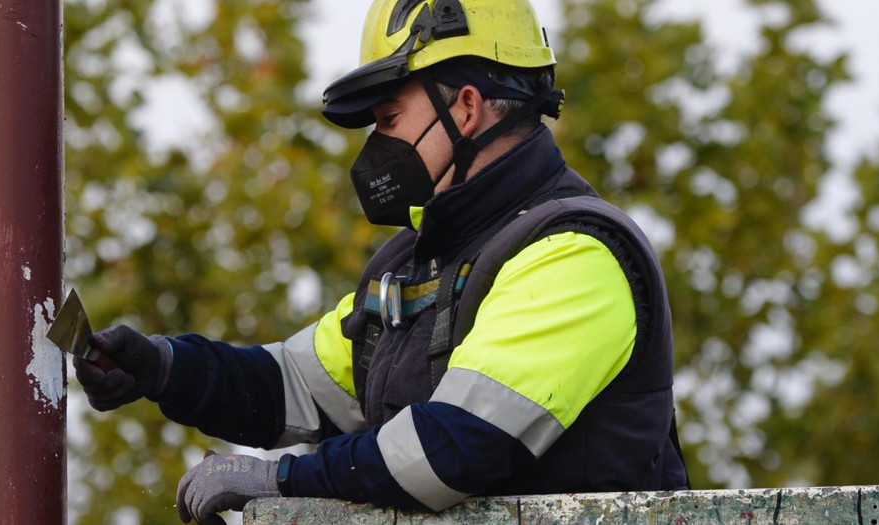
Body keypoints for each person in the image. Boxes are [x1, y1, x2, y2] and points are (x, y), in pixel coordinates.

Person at [75, 0, 689, 523]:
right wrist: (163, 367)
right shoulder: (417, 264)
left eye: (389, 119)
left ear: (468, 108)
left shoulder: (575, 253)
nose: (377, 146)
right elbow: (292, 386)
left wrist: (284, 481)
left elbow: (453, 447)